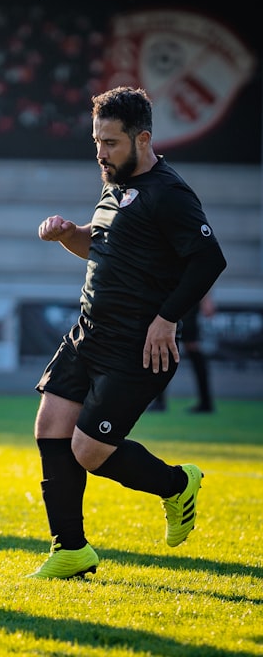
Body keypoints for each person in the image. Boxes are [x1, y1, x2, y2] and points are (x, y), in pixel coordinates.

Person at [28, 86, 227, 579]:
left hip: (137, 346)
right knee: (50, 427)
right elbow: (103, 249)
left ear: (143, 139)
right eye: (97, 141)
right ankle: (70, 551)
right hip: (89, 330)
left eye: (111, 143)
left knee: (89, 452)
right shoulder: (114, 182)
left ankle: (177, 485)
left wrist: (167, 319)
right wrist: (67, 235)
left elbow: (209, 260)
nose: (101, 152)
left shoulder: (170, 193)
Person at [146, 293, 217, 413]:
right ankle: (159, 400)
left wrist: (206, 299)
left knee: (191, 346)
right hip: (168, 295)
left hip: (186, 297)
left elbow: (199, 274)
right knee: (163, 345)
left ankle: (206, 402)